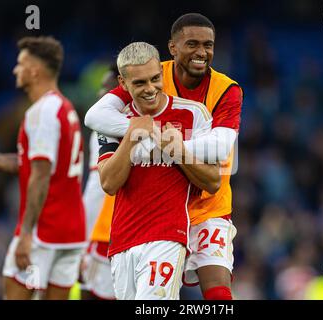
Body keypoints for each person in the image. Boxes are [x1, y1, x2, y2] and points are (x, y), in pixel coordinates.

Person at [84, 13, 242, 300]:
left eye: (208, 45)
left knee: (218, 294)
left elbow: (220, 147)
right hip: (145, 217)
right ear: (172, 47)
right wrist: (143, 133)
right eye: (192, 44)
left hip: (206, 205)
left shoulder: (225, 90)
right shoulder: (149, 72)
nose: (201, 52)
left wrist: (172, 144)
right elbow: (95, 115)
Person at [0, 36, 86, 300]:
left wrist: (25, 234)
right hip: (71, 232)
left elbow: (41, 176)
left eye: (20, 64)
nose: (15, 70)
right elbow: (38, 165)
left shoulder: (41, 113)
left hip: (43, 231)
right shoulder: (64, 109)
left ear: (35, 70)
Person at [80, 65, 119, 300]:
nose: (99, 94)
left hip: (106, 233)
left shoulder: (104, 126)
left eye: (105, 87)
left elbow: (97, 189)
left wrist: (83, 239)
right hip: (143, 235)